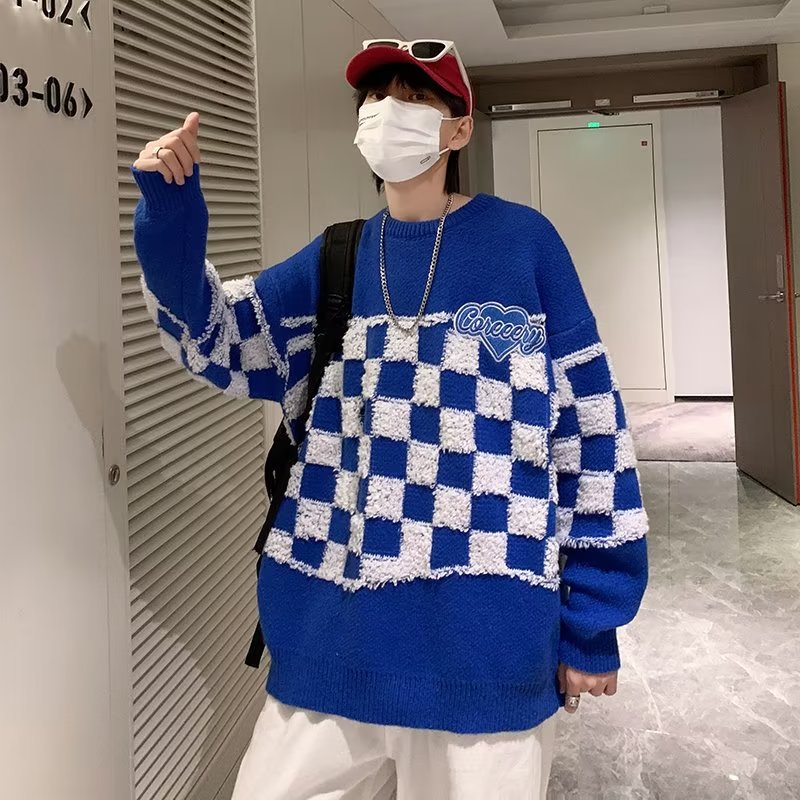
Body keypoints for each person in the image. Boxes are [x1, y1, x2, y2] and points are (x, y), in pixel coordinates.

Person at [130, 38, 649, 800]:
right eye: (374, 100)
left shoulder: (524, 245)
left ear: (459, 128)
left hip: (488, 657)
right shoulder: (338, 258)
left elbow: (591, 432)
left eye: (412, 98)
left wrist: (592, 624)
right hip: (329, 644)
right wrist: (170, 211)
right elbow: (216, 336)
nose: (385, 113)